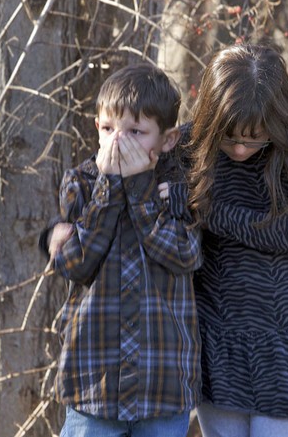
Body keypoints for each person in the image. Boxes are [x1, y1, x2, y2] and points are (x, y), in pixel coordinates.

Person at [186, 43, 288, 437]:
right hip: (219, 333)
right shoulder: (189, 147)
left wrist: (210, 213)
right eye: (230, 139)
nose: (242, 148)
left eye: (254, 138)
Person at [40, 63, 202, 437]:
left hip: (161, 386)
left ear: (168, 139)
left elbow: (185, 254)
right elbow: (74, 263)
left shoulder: (178, 190)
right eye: (110, 129)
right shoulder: (80, 184)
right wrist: (109, 189)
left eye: (136, 132)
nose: (119, 142)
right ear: (97, 128)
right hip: (94, 384)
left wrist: (143, 191)